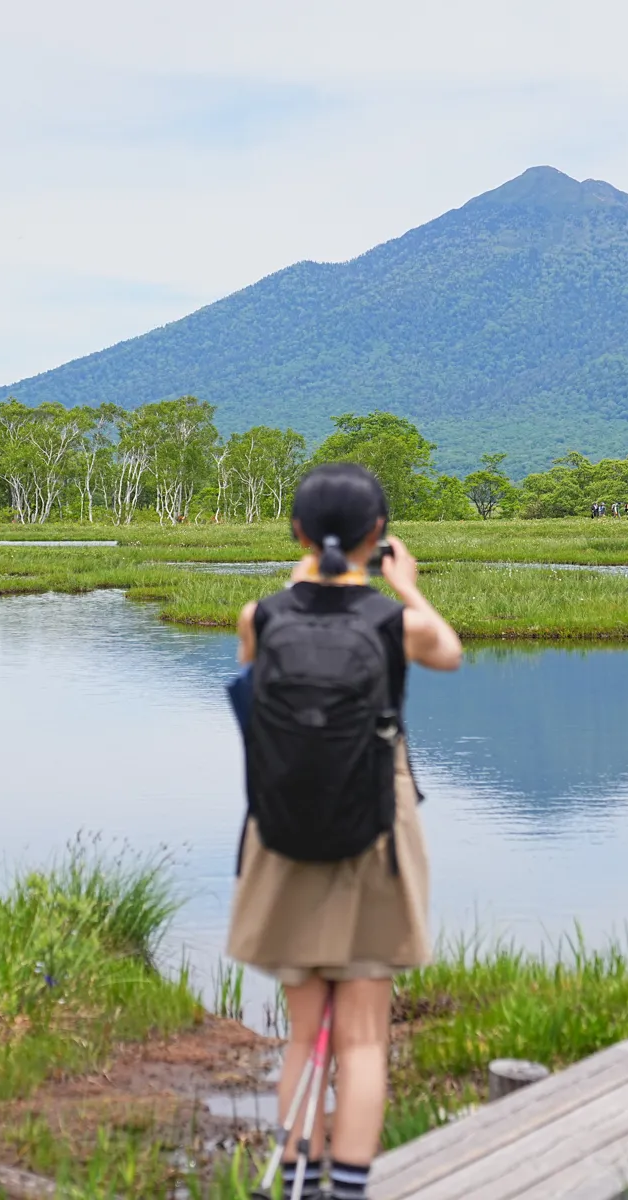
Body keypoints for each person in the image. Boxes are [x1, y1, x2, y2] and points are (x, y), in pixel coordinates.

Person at [227, 462, 462, 1200]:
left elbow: (250, 684)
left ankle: (295, 1180)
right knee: (362, 1038)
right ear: (380, 537)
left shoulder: (258, 616)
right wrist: (408, 585)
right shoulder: (400, 623)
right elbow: (450, 653)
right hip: (375, 833)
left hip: (284, 828)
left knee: (303, 1035)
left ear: (298, 533)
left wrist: (304, 574)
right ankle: (350, 1188)